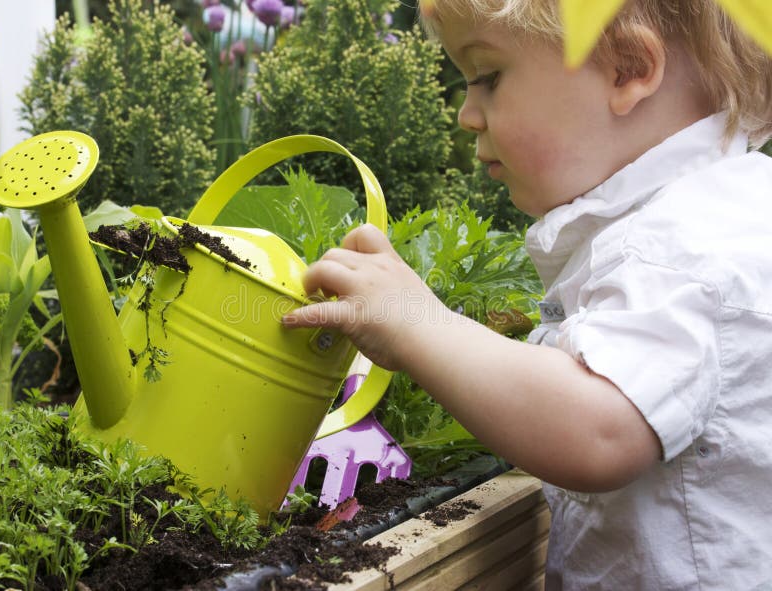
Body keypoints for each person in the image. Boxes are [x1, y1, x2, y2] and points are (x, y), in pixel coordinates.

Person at [281, 1, 772, 588]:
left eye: (488, 76)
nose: (466, 114)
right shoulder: (700, 215)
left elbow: (600, 431)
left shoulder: (682, 242)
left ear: (627, 67)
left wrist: (418, 323)